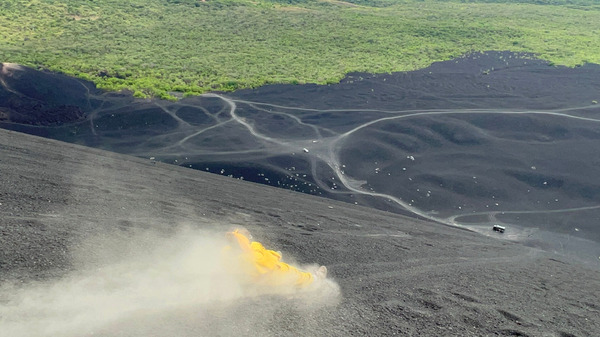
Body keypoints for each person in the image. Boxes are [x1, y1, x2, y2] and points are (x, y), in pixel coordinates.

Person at [225, 228, 327, 289]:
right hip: (269, 278)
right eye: (248, 236)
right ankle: (316, 280)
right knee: (294, 274)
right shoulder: (254, 249)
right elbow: (266, 264)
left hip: (249, 281)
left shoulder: (228, 251)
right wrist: (275, 257)